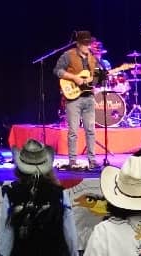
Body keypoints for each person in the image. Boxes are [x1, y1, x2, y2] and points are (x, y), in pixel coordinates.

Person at [53, 30, 100, 171]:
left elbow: (96, 78)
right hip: (73, 98)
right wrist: (74, 78)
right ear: (78, 44)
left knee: (90, 130)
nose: (87, 46)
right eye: (84, 44)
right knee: (73, 131)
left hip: (89, 97)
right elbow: (57, 71)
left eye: (88, 43)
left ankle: (92, 161)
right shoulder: (68, 55)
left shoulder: (94, 58)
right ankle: (72, 160)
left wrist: (98, 78)